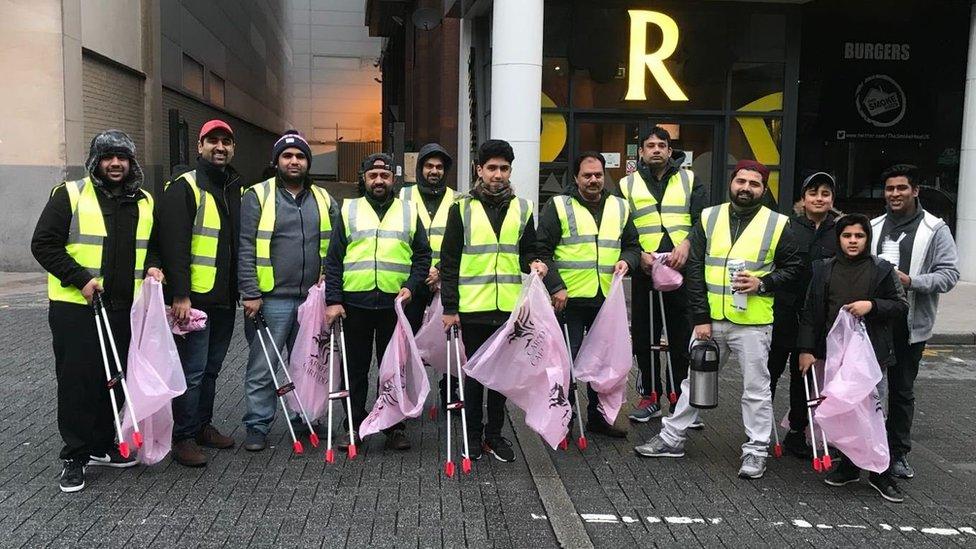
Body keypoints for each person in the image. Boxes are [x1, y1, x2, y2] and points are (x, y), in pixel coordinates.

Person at [634, 160, 801, 480]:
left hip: (752, 322)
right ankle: (672, 438)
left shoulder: (778, 224)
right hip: (710, 321)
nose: (746, 188)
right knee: (695, 383)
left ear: (764, 189)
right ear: (731, 182)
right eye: (741, 181)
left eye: (754, 183)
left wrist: (763, 283)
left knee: (755, 388)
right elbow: (694, 269)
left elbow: (795, 270)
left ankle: (755, 450)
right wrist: (700, 317)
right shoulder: (710, 217)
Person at [31, 130, 163, 492]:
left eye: (122, 157)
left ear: (131, 161)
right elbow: (43, 244)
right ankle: (75, 455)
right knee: (78, 382)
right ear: (96, 162)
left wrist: (153, 265)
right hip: (76, 308)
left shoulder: (145, 201)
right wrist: (81, 280)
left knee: (114, 379)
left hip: (123, 307)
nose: (116, 164)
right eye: (108, 157)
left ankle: (104, 445)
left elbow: (151, 246)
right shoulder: (70, 195)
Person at [440, 139, 547, 463]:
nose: (498, 174)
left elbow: (530, 249)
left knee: (502, 379)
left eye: (503, 168)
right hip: (473, 308)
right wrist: (449, 308)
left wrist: (536, 262)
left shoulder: (523, 208)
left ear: (510, 171)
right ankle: (472, 437)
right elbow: (449, 261)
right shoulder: (462, 208)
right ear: (479, 170)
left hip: (509, 310)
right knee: (473, 377)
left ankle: (494, 436)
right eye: (491, 168)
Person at [796, 214, 909, 502]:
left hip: (871, 355)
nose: (853, 241)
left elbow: (900, 305)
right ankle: (848, 466)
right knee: (843, 410)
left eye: (859, 236)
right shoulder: (823, 269)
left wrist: (871, 305)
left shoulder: (882, 270)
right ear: (839, 239)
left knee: (874, 413)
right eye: (847, 236)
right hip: (835, 355)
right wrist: (806, 350)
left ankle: (880, 472)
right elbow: (810, 311)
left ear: (867, 239)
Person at [238, 131, 339, 451]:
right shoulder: (257, 195)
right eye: (287, 156)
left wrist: (331, 291)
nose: (294, 161)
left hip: (312, 299)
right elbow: (245, 246)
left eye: (300, 157)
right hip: (270, 299)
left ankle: (305, 417)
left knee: (308, 365)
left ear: (308, 163)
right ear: (277, 161)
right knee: (263, 365)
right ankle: (257, 424)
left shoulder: (325, 199)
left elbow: (337, 249)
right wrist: (250, 292)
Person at [323, 153, 432, 451]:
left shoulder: (408, 212)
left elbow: (423, 255)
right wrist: (333, 301)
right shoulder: (350, 210)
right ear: (364, 179)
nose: (379, 181)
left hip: (394, 307)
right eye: (373, 176)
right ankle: (353, 427)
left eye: (384, 176)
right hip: (355, 305)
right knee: (354, 370)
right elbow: (333, 260)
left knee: (394, 370)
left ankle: (394, 427)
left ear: (393, 179)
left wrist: (412, 286)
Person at [537, 151, 640, 439]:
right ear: (576, 177)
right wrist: (556, 286)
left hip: (605, 301)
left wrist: (627, 261)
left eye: (598, 175)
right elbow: (543, 250)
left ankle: (598, 417)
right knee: (566, 364)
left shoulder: (620, 207)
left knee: (602, 363)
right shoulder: (558, 206)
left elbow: (632, 245)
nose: (593, 180)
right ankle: (564, 417)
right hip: (569, 300)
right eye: (587, 175)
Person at [158, 119, 243, 466]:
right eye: (213, 141)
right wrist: (180, 294)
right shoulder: (185, 188)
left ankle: (202, 425)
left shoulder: (235, 187)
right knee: (191, 371)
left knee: (211, 369)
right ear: (200, 146)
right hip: (194, 300)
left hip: (224, 298)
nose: (219, 147)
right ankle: (182, 437)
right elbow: (173, 245)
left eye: (225, 142)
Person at [870, 164, 959, 479]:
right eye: (890, 189)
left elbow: (949, 275)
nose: (895, 194)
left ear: (915, 191)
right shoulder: (874, 226)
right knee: (868, 390)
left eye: (901, 188)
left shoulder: (936, 229)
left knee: (902, 391)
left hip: (910, 327)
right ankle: (867, 451)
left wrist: (911, 281)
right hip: (875, 324)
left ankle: (897, 454)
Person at [619, 126, 705, 423]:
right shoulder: (626, 184)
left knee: (681, 336)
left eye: (661, 145)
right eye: (650, 145)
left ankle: (680, 399)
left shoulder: (690, 179)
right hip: (645, 268)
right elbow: (621, 223)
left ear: (670, 151)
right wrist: (637, 253)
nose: (656, 149)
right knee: (645, 334)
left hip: (681, 268)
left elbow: (701, 220)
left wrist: (687, 245)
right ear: (640, 152)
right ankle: (649, 396)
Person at [767, 172, 839, 458]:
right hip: (782, 313)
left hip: (815, 319)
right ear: (803, 197)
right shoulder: (787, 226)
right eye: (813, 193)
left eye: (825, 193)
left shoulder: (839, 229)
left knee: (804, 378)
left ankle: (798, 432)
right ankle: (759, 430)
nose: (819, 198)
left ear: (832, 198)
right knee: (769, 373)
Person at [400, 143, 457, 409]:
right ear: (420, 169)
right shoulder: (403, 197)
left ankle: (450, 390)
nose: (434, 171)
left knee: (450, 340)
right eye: (429, 166)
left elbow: (462, 241)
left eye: (439, 167)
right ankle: (410, 391)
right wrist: (423, 271)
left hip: (444, 280)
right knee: (409, 339)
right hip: (414, 280)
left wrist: (441, 271)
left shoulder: (458, 200)